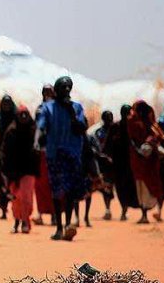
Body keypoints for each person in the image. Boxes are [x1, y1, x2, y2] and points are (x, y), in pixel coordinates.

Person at [35, 76, 87, 241]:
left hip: (73, 154)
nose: (66, 91)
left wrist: (72, 116)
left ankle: (68, 225)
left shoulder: (77, 108)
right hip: (55, 154)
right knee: (57, 190)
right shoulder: (48, 108)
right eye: (63, 88)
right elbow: (41, 126)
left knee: (71, 191)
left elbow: (81, 128)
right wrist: (39, 138)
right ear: (56, 90)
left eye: (68, 88)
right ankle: (58, 227)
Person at [1, 105, 40, 233]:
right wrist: (6, 171)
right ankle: (17, 220)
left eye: (25, 114)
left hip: (28, 169)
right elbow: (5, 152)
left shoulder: (33, 130)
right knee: (16, 198)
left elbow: (37, 150)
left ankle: (25, 221)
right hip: (14, 171)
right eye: (21, 115)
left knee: (26, 197)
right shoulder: (11, 132)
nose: (23, 117)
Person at [127, 100, 164, 224]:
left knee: (143, 187)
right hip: (148, 161)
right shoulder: (152, 124)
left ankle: (145, 215)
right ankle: (158, 212)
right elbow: (161, 137)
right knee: (154, 185)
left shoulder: (134, 123)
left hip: (141, 161)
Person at [105, 104, 139, 220]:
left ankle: (125, 209)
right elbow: (108, 144)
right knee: (120, 187)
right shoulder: (115, 127)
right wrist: (107, 157)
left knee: (129, 186)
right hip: (118, 164)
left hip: (131, 163)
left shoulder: (133, 127)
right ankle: (124, 209)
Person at [84, 110, 116, 222]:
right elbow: (96, 148)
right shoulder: (97, 132)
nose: (109, 121)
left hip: (113, 162)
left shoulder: (115, 130)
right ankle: (107, 208)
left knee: (110, 184)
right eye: (107, 118)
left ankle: (112, 209)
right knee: (102, 184)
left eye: (110, 118)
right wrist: (101, 157)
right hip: (100, 162)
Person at [32, 84, 56, 226]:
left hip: (54, 150)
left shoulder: (57, 109)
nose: (47, 94)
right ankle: (40, 213)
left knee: (53, 183)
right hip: (41, 151)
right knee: (40, 184)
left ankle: (54, 214)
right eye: (45, 92)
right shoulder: (40, 109)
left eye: (49, 92)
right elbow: (38, 128)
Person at [0, 95, 17, 219]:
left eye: (8, 104)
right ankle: (3, 210)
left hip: (13, 157)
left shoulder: (16, 118)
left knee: (12, 184)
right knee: (0, 184)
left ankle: (16, 211)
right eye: (4, 104)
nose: (6, 106)